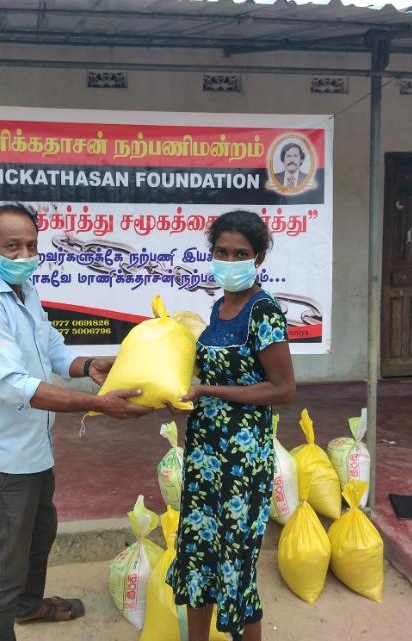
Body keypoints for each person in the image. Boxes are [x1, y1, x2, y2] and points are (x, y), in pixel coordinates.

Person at [0, 203, 152, 641]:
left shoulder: (26, 292)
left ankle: (28, 607)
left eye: (31, 246)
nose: (25, 256)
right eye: (12, 246)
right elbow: (13, 385)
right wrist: (98, 405)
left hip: (31, 450)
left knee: (40, 534)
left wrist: (89, 366)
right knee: (8, 566)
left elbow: (52, 349)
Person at [166, 209, 297, 641]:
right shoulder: (219, 308)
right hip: (205, 454)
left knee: (235, 565)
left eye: (240, 253)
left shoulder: (264, 311)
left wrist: (209, 390)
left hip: (242, 461)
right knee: (198, 554)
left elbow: (283, 389)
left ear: (258, 257)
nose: (229, 260)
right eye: (221, 251)